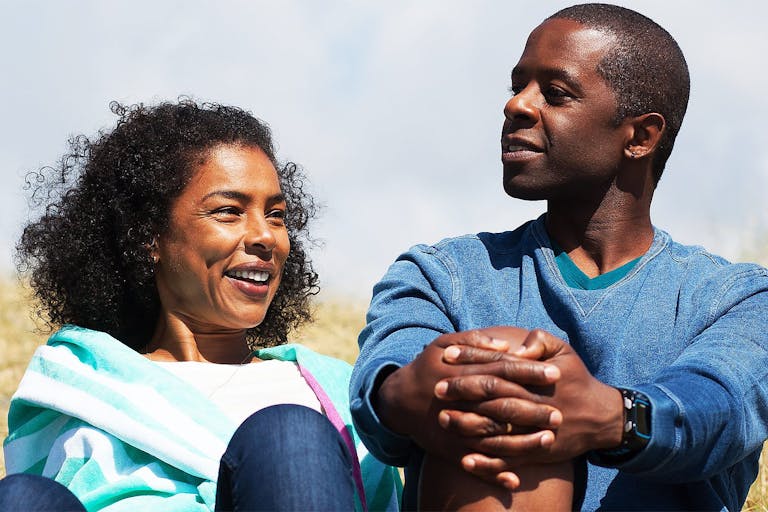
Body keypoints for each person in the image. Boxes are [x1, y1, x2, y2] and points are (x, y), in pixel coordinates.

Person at [350, 3, 768, 511]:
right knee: (502, 390)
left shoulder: (736, 299)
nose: (517, 106)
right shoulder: (443, 274)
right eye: (516, 85)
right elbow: (387, 375)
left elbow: (719, 407)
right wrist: (400, 395)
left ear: (641, 136)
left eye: (555, 93)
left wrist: (611, 417)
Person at [3, 99, 402, 511]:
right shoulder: (80, 389)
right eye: (229, 212)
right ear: (149, 236)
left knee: (288, 435)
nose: (266, 235)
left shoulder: (333, 393)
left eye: (277, 215)